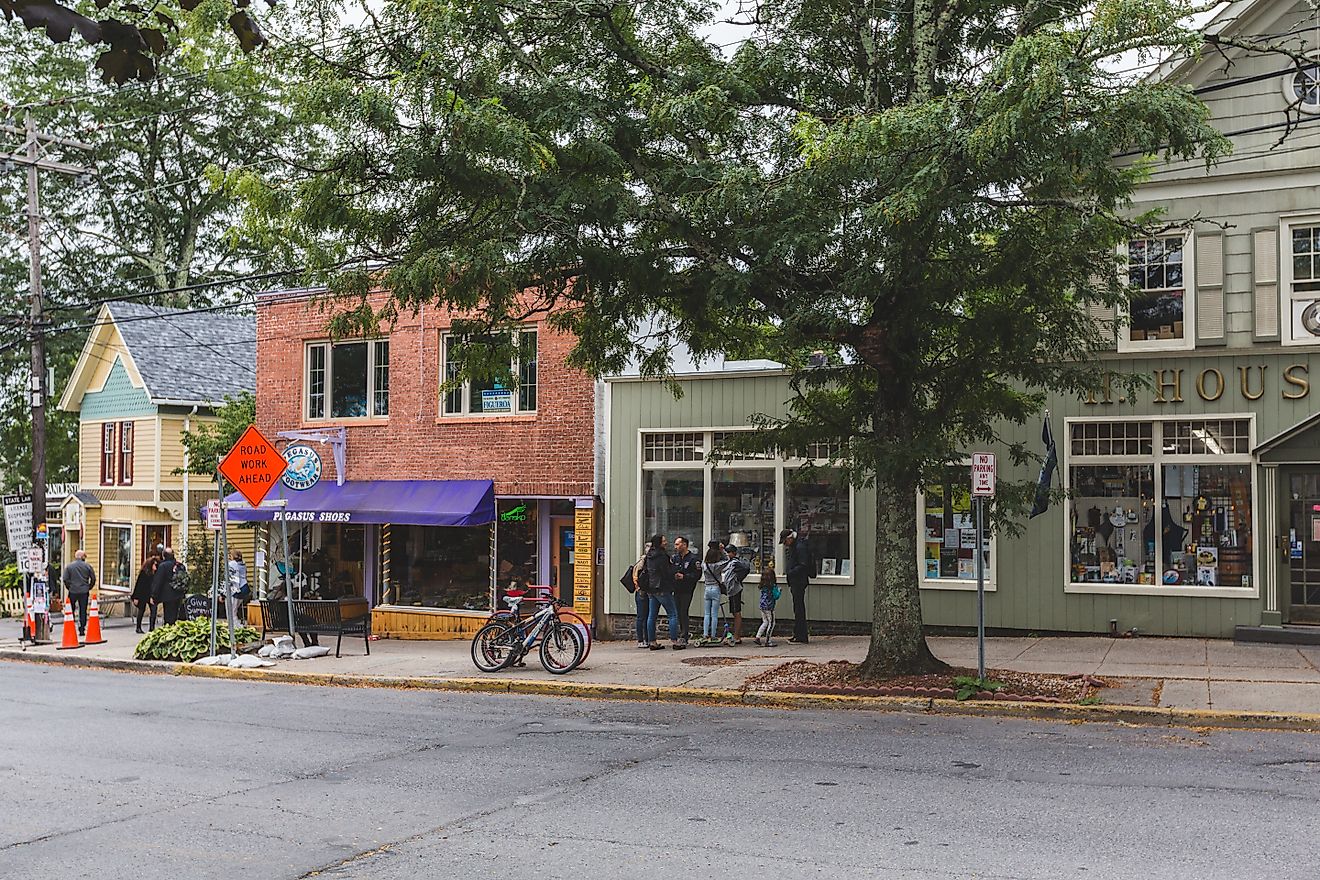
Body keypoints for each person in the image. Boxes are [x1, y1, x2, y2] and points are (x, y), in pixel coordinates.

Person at [643, 534, 682, 650]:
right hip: (663, 588)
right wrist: (676, 568)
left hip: (651, 588)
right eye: (664, 541)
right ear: (659, 543)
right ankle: (675, 641)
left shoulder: (649, 556)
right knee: (672, 614)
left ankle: (652, 641)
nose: (666, 542)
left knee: (652, 616)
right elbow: (667, 573)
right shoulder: (662, 556)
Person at [781, 529, 813, 643]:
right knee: (797, 608)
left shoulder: (799, 547)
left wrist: (791, 572)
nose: (785, 544)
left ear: (790, 538)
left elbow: (803, 565)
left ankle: (801, 635)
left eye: (785, 541)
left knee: (799, 608)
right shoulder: (796, 546)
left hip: (799, 581)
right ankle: (798, 633)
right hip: (796, 581)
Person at [670, 535, 699, 647]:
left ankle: (684, 635)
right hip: (676, 588)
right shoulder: (675, 558)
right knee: (678, 612)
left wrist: (685, 577)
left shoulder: (693, 558)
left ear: (684, 545)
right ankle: (681, 632)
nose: (675, 546)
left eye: (677, 544)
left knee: (683, 611)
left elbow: (696, 574)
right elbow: (671, 570)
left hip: (687, 589)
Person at [61, 549, 96, 636]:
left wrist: (69, 587)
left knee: (71, 609)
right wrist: (88, 587)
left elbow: (65, 579)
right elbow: (93, 578)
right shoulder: (87, 566)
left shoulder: (69, 567)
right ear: (82, 557)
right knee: (83, 610)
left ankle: (70, 626)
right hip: (84, 591)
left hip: (73, 591)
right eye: (85, 556)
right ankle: (82, 628)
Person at [723, 544, 752, 644]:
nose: (727, 554)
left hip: (735, 590)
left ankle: (737, 636)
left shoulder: (735, 562)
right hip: (731, 590)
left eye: (729, 552)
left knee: (737, 612)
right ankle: (736, 635)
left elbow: (746, 568)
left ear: (734, 553)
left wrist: (738, 579)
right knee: (734, 612)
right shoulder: (731, 562)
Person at [700, 541, 726, 643]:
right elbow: (727, 560)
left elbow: (704, 561)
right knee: (714, 614)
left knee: (707, 613)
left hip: (707, 588)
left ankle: (705, 634)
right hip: (715, 588)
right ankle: (713, 635)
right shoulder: (717, 565)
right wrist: (722, 550)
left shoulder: (704, 565)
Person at [151, 547, 184, 625]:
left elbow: (158, 581)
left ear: (164, 556)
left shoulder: (163, 566)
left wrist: (154, 595)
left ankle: (169, 632)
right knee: (176, 615)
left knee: (169, 617)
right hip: (179, 594)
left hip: (167, 596)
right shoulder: (180, 565)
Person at [132, 553, 161, 633]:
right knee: (141, 610)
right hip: (142, 594)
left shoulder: (156, 574)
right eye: (154, 565)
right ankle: (138, 627)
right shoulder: (144, 573)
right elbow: (139, 585)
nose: (156, 567)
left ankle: (152, 628)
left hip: (151, 594)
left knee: (153, 610)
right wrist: (136, 597)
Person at [755, 563, 779, 647]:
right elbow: (776, 596)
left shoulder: (763, 586)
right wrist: (779, 591)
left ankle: (758, 637)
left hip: (762, 606)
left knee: (765, 622)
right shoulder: (773, 586)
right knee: (771, 623)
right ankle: (768, 641)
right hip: (769, 607)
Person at [631, 544, 650, 648]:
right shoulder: (644, 563)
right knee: (644, 616)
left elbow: (634, 576)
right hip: (643, 592)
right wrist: (639, 587)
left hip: (640, 591)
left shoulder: (640, 562)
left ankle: (642, 639)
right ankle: (643, 639)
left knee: (642, 616)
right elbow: (635, 577)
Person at [227, 550, 251, 619]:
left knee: (232, 612)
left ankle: (235, 626)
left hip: (238, 588)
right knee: (235, 609)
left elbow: (233, 578)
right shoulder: (243, 564)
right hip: (244, 587)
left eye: (230, 555)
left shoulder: (232, 565)